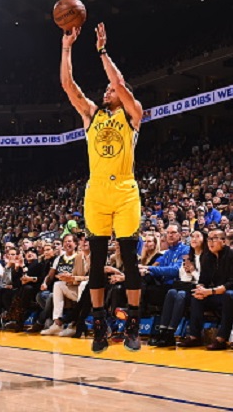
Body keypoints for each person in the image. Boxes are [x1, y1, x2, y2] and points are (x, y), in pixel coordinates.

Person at [60, 22, 145, 353]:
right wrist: (67, 47)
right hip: (96, 192)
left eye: (111, 90)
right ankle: (98, 325)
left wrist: (101, 50)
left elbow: (119, 82)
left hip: (125, 191)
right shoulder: (92, 115)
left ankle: (133, 325)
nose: (107, 91)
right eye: (106, 90)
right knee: (96, 262)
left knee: (129, 258)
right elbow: (68, 85)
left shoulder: (132, 114)